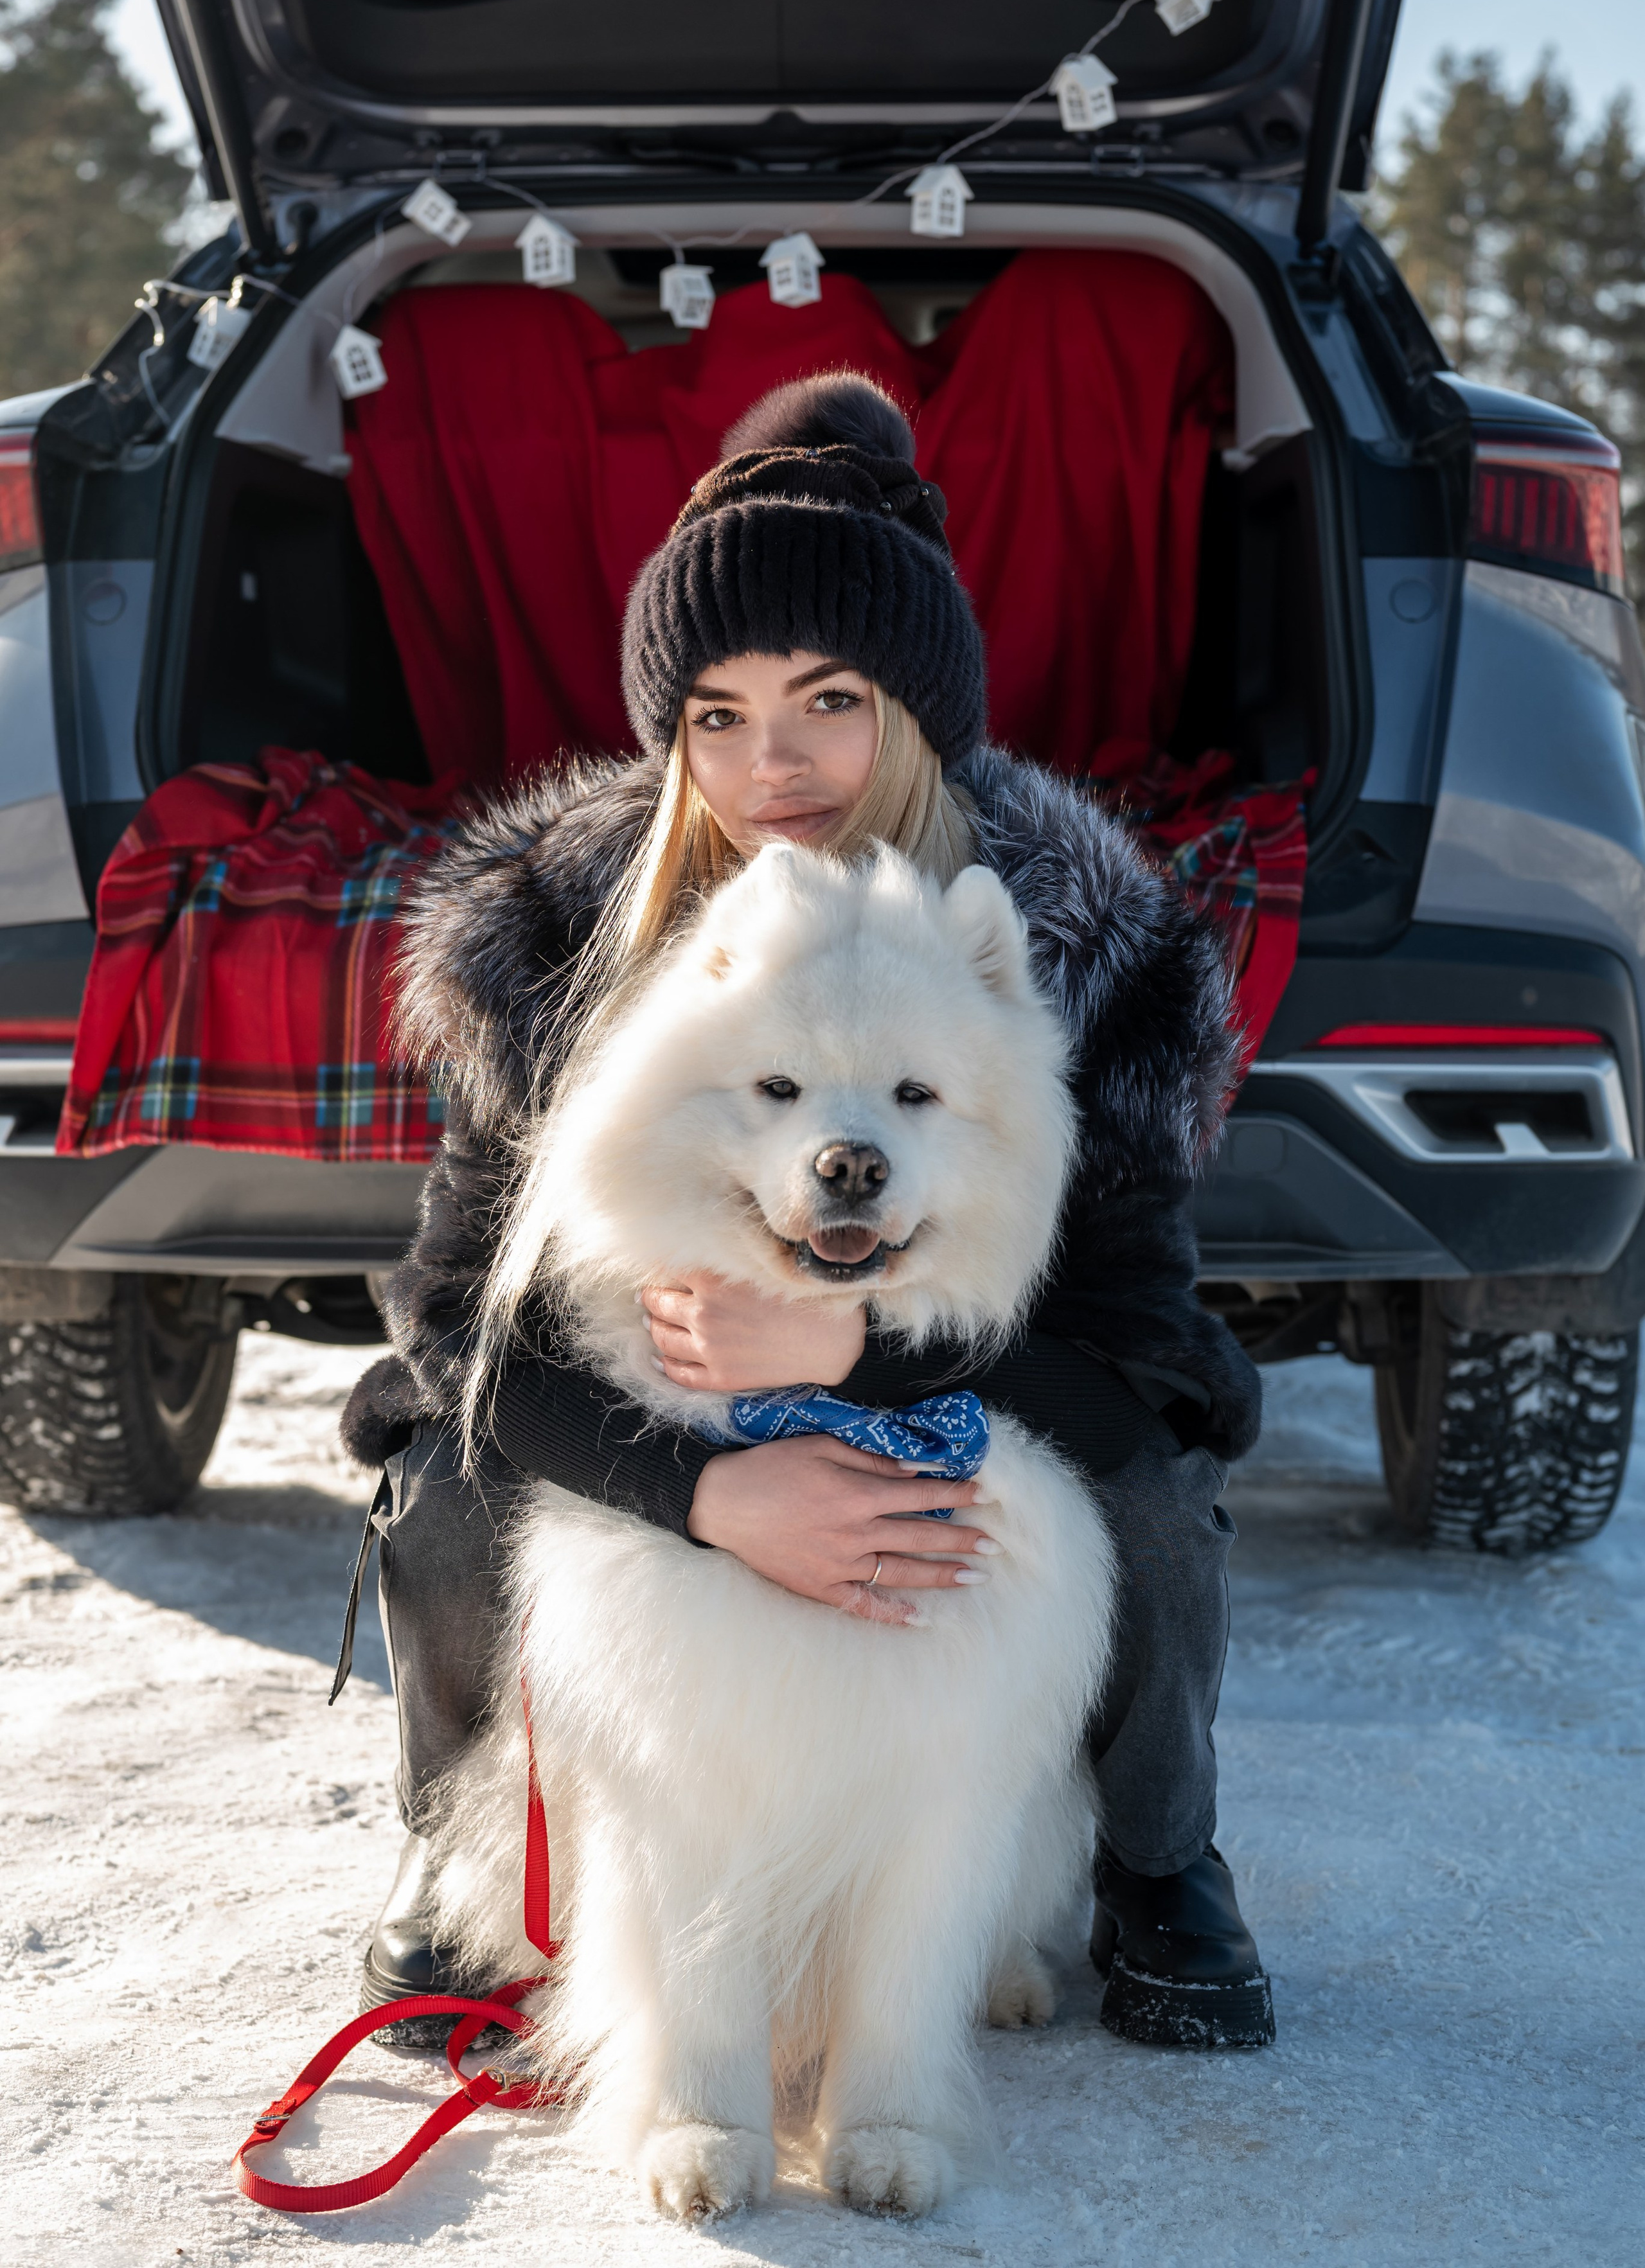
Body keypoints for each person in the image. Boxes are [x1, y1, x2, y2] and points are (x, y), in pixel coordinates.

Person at [338, 371, 1273, 2053]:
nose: (770, 762)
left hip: (977, 1390)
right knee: (448, 1474)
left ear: (915, 708)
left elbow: (1135, 1348)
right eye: (715, 711)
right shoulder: (558, 926)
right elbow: (470, 1319)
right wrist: (705, 1488)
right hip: (640, 1404)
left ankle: (1159, 1861)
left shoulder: (1075, 932)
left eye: (828, 698)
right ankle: (474, 1845)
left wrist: (865, 1351)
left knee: (1143, 1491)